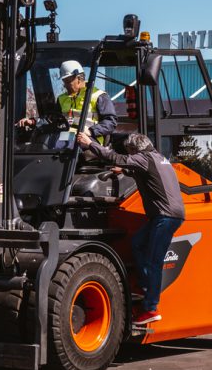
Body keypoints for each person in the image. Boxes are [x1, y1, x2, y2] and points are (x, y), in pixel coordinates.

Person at [75, 131, 185, 326]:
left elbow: (117, 157)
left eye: (130, 152)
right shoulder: (158, 157)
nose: (130, 155)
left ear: (135, 149)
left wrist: (90, 143)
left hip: (165, 216)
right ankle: (144, 286)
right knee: (138, 243)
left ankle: (151, 308)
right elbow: (144, 172)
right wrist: (124, 171)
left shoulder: (144, 157)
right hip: (167, 214)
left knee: (154, 261)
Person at [19, 60, 117, 144]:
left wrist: (91, 131)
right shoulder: (62, 98)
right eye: (64, 82)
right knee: (42, 143)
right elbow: (52, 120)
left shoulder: (98, 96)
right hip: (68, 138)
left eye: (68, 82)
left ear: (79, 78)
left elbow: (110, 122)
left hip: (90, 141)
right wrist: (33, 121)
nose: (65, 85)